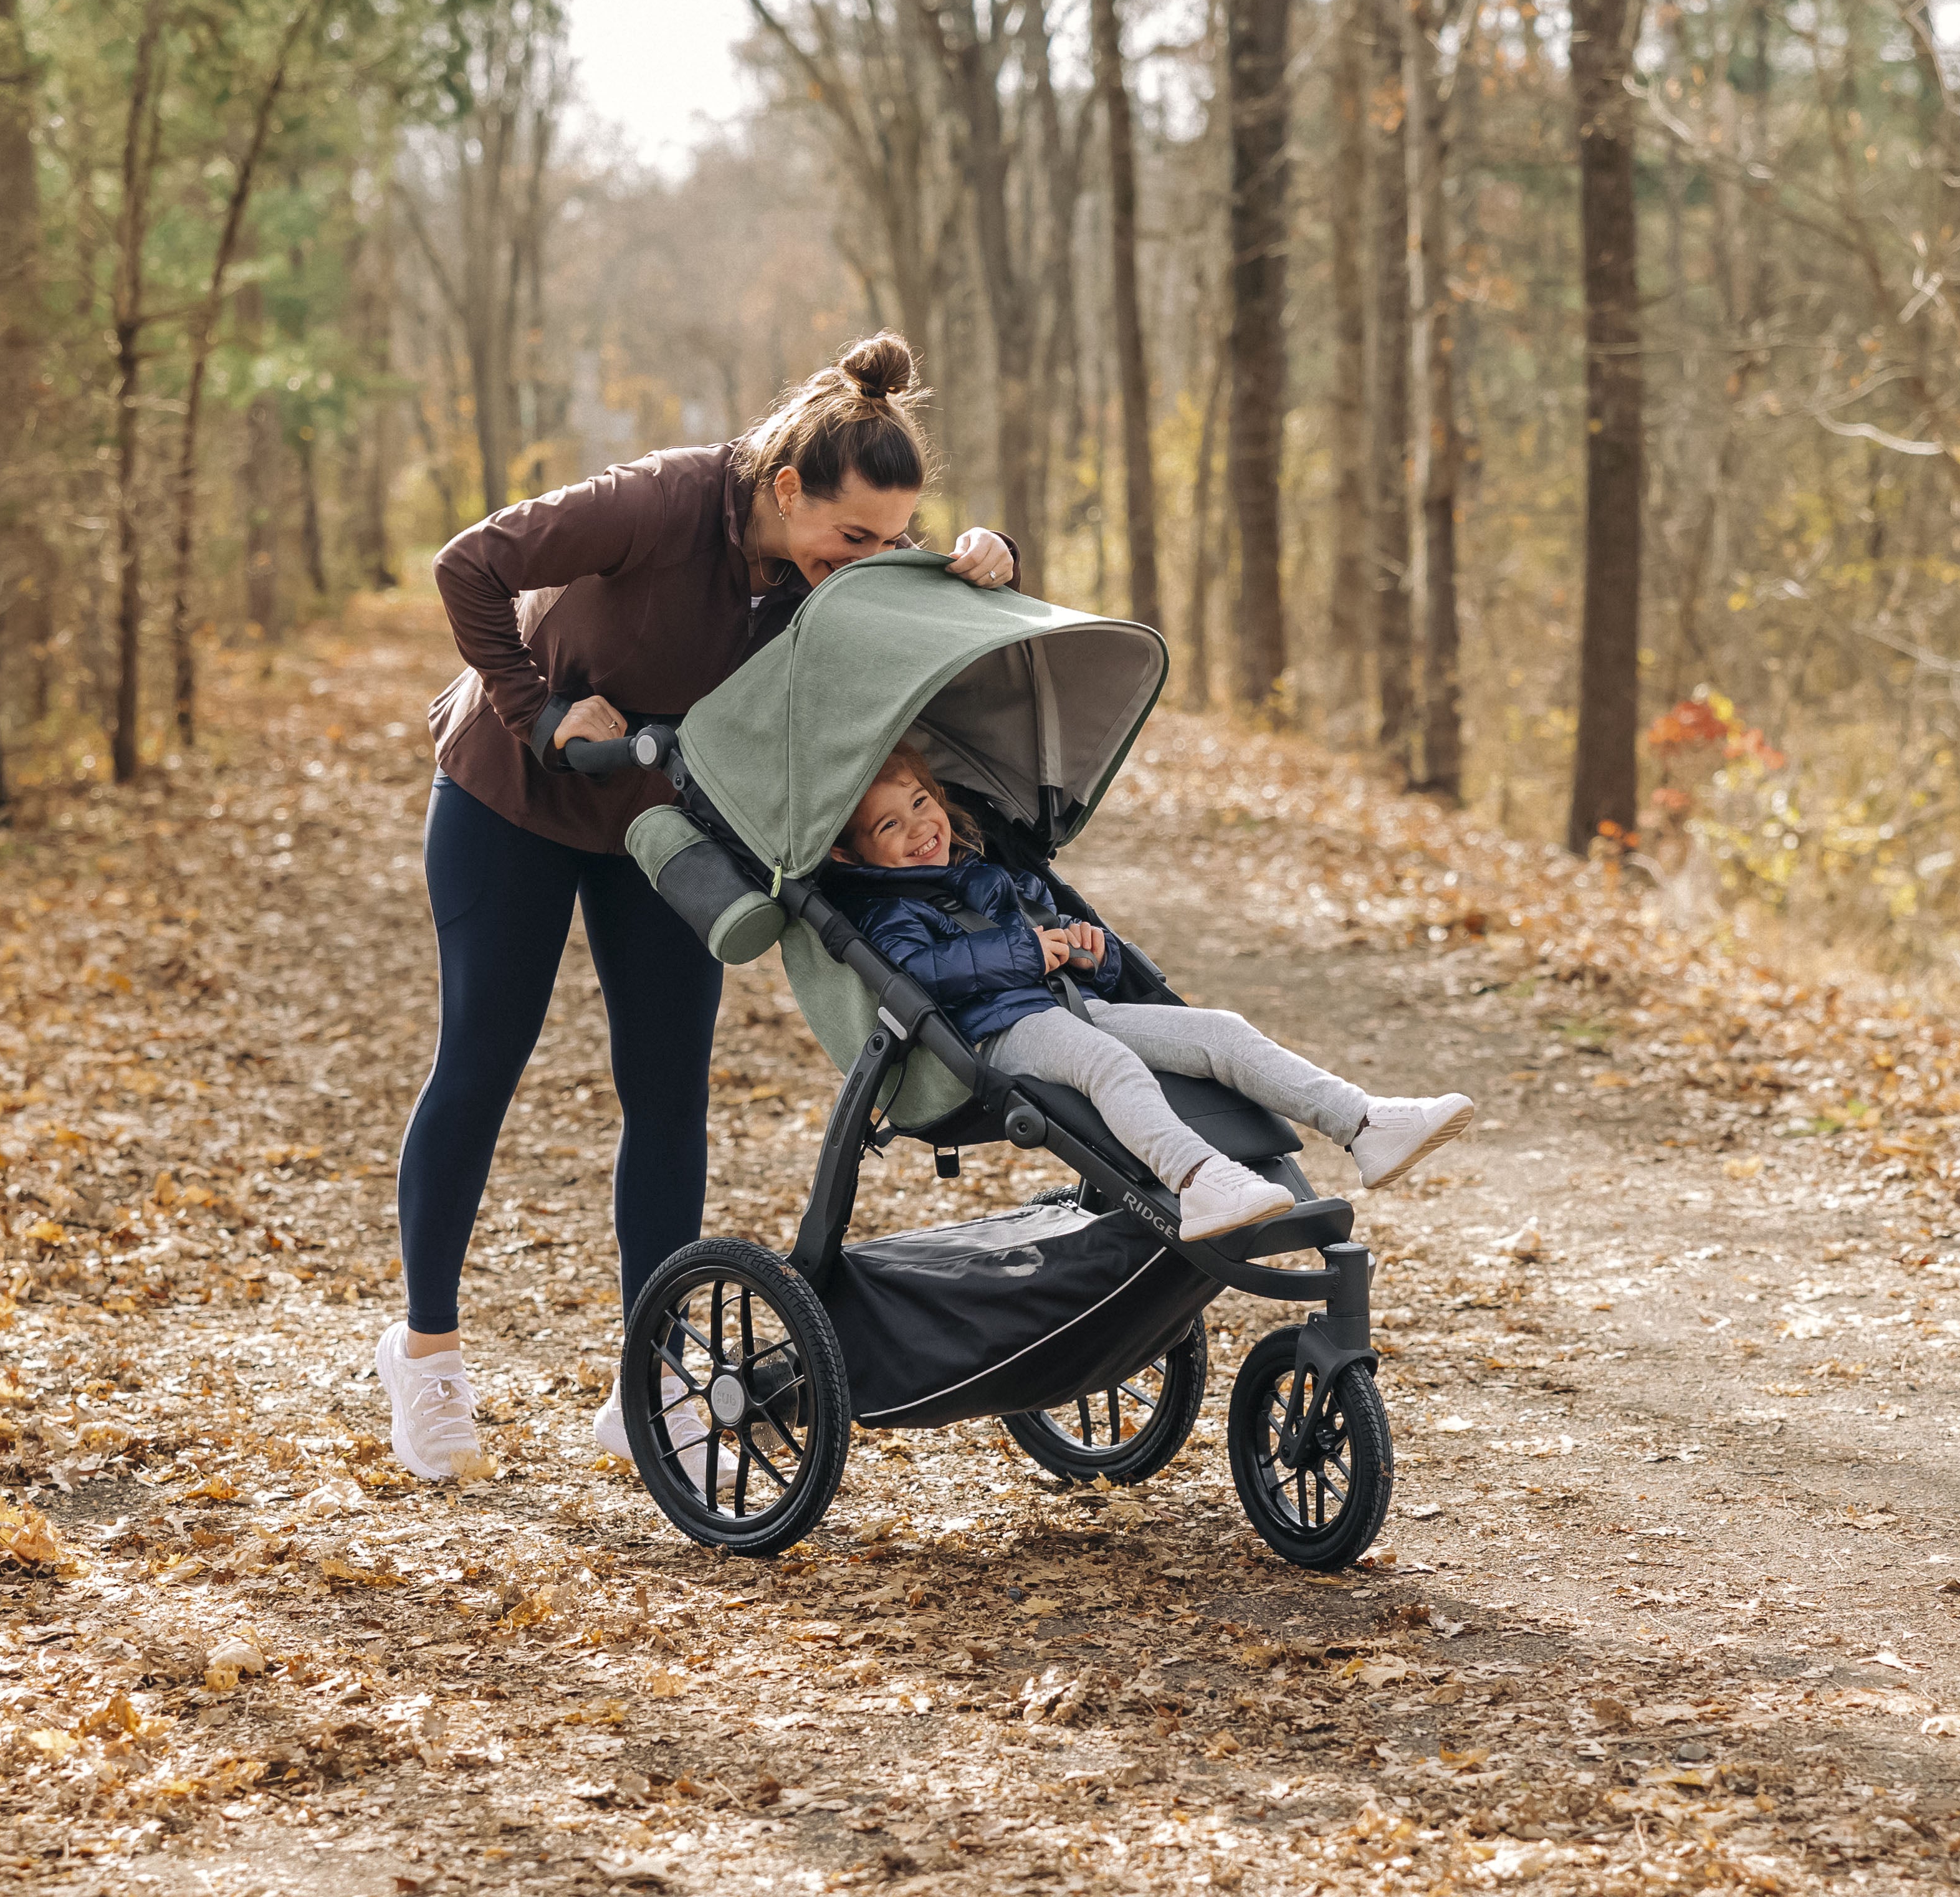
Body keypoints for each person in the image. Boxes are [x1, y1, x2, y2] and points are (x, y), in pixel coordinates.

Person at [376, 335, 1012, 1481]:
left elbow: (918, 607)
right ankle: (423, 1355)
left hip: (660, 822)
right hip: (512, 790)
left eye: (892, 538)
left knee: (666, 1086)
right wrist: (538, 708)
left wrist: (985, 555)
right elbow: (467, 562)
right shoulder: (658, 502)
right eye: (854, 538)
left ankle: (649, 1378)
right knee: (481, 1058)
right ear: (783, 491)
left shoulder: (848, 556)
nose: (869, 560)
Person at [822, 745, 1473, 1240]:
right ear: (852, 857)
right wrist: (1023, 951)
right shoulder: (884, 911)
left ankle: (1363, 1123)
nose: (917, 828)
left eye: (920, 804)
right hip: (996, 1037)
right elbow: (917, 976)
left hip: (1069, 1008)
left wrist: (1090, 955)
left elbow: (1051, 937)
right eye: (888, 828)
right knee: (1111, 1065)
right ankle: (1198, 1181)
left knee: (1220, 1031)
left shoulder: (986, 871)